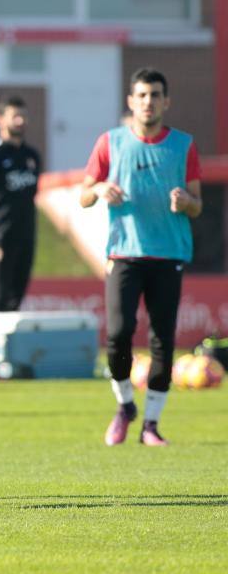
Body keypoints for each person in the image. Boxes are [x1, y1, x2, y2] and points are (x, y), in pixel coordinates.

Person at [80, 67, 202, 447]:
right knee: (117, 335)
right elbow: (83, 196)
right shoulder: (110, 142)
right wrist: (100, 189)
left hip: (168, 254)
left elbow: (198, 205)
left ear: (166, 102)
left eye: (155, 95)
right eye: (142, 95)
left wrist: (187, 202)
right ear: (131, 101)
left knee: (163, 340)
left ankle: (151, 424)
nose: (148, 102)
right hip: (124, 253)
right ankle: (125, 406)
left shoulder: (183, 145)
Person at [0, 95, 41, 312]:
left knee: (17, 295)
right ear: (0, 119)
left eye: (23, 116)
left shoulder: (32, 156)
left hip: (26, 235)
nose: (20, 121)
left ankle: (10, 346)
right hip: (0, 236)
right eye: (15, 116)